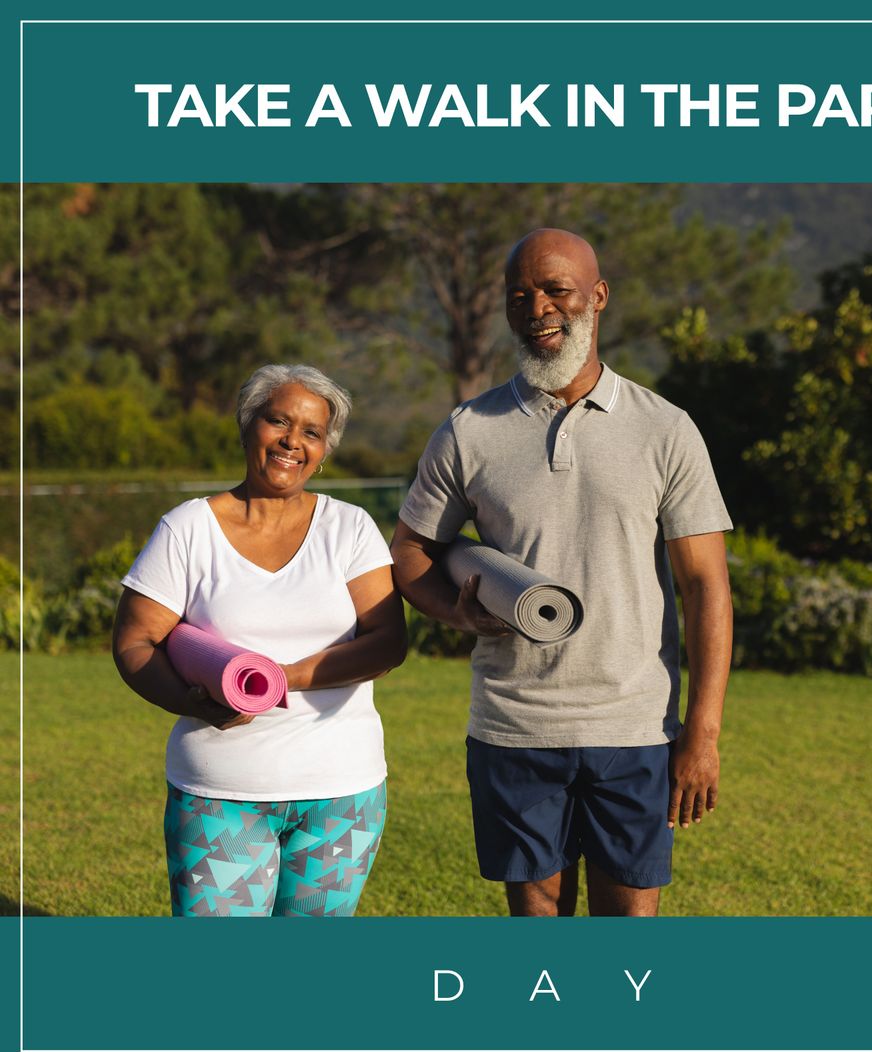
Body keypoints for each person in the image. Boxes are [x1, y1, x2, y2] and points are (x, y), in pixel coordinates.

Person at [390, 228, 733, 917]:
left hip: (633, 727)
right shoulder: (469, 429)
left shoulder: (665, 429)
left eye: (556, 291)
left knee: (627, 922)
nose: (538, 308)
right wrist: (457, 612)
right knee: (538, 923)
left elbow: (705, 587)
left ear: (598, 298)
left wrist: (702, 733)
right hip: (513, 724)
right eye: (521, 295)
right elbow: (410, 552)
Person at [113, 364, 407, 917]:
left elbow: (388, 643)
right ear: (248, 424)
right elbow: (134, 643)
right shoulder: (187, 530)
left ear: (324, 450)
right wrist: (195, 703)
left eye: (312, 432)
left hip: (341, 793)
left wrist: (281, 679)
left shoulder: (350, 528)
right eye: (278, 421)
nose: (292, 441)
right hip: (220, 792)